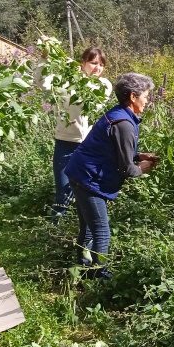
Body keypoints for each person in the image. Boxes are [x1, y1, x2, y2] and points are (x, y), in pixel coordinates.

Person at [63, 72, 158, 278]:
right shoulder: (123, 123)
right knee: (101, 230)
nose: (147, 100)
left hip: (80, 172)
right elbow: (127, 169)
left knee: (88, 226)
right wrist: (143, 168)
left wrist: (139, 155)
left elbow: (114, 150)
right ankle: (100, 275)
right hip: (88, 179)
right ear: (133, 96)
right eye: (145, 96)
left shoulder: (119, 114)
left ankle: (83, 267)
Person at [50, 47, 112, 222]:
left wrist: (75, 75)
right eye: (93, 63)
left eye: (101, 65)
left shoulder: (103, 85)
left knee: (84, 191)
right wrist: (47, 59)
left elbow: (88, 102)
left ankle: (82, 228)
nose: (98, 68)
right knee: (63, 191)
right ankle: (53, 227)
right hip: (65, 142)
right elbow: (45, 85)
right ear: (82, 63)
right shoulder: (66, 81)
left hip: (88, 145)